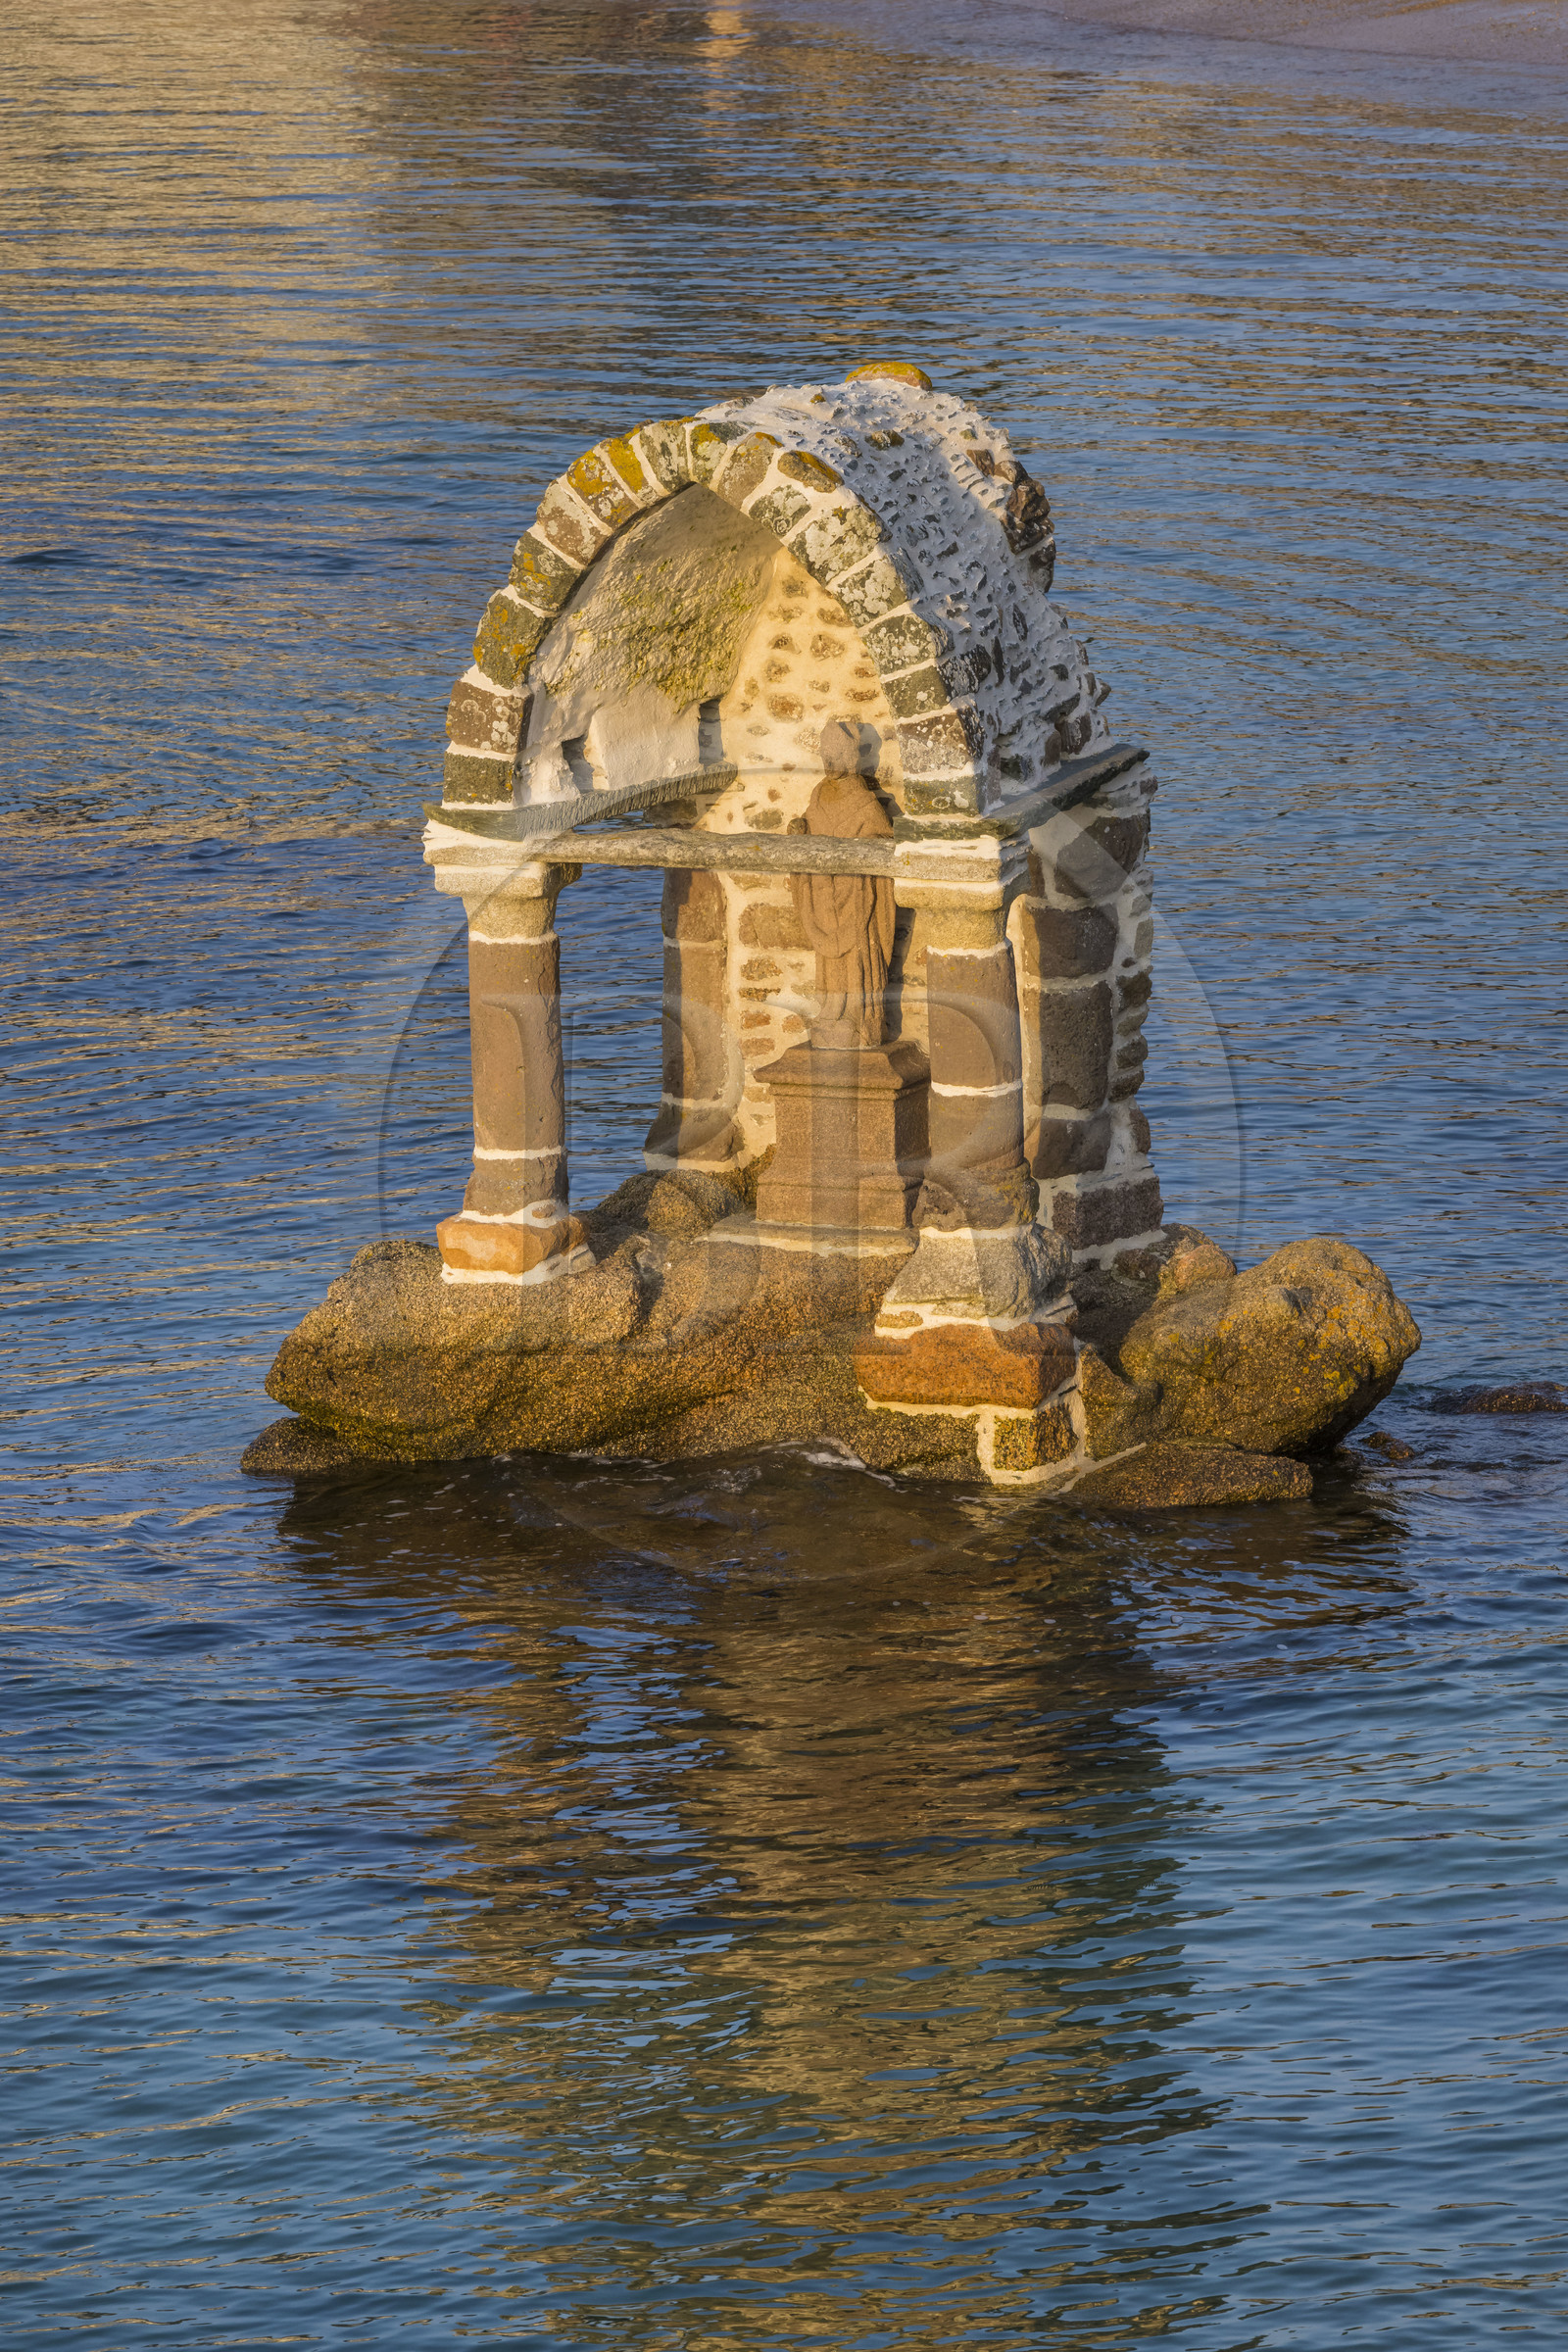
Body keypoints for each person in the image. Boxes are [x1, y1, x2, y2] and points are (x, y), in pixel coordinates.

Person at [789, 721, 896, 1050]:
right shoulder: (819, 794)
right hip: (823, 891)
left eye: (835, 755)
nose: (828, 762)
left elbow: (882, 839)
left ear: (851, 759)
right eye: (825, 754)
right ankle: (833, 1006)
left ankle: (857, 1013)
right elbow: (811, 824)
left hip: (856, 894)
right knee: (828, 959)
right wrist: (799, 829)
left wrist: (861, 848)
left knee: (855, 956)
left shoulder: (864, 802)